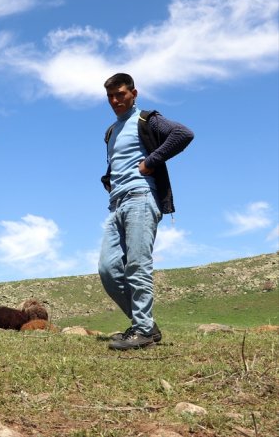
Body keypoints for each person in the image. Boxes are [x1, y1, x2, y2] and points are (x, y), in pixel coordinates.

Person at [98, 73, 194, 350]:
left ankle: (142, 330)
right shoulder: (110, 131)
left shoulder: (147, 119)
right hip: (116, 203)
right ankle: (146, 325)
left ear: (134, 93)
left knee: (137, 265)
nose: (115, 100)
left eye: (121, 94)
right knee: (108, 269)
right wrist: (109, 180)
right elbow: (120, 161)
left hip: (141, 197)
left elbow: (183, 134)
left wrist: (151, 161)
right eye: (111, 96)